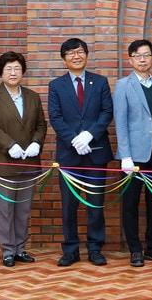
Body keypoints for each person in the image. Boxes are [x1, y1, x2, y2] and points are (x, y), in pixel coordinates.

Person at [47, 37, 114, 267]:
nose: (76, 56)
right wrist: (75, 139)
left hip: (96, 153)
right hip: (69, 154)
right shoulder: (56, 85)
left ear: (86, 55)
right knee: (69, 205)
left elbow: (106, 112)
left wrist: (90, 135)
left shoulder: (101, 82)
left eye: (80, 52)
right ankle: (71, 250)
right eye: (70, 53)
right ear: (64, 60)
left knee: (95, 203)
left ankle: (95, 249)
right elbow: (55, 117)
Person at [0, 51, 48, 267]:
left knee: (23, 208)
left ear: (23, 71)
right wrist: (10, 145)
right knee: (5, 208)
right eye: (8, 68)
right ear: (1, 72)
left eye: (17, 68)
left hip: (28, 162)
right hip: (3, 161)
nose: (12, 72)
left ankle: (20, 248)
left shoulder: (32, 96)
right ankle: (8, 250)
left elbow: (40, 125)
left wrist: (37, 142)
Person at [114, 38, 152, 267]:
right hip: (133, 158)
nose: (143, 59)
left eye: (147, 55)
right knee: (130, 204)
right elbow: (120, 122)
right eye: (138, 55)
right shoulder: (123, 86)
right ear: (131, 59)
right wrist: (125, 155)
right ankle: (135, 250)